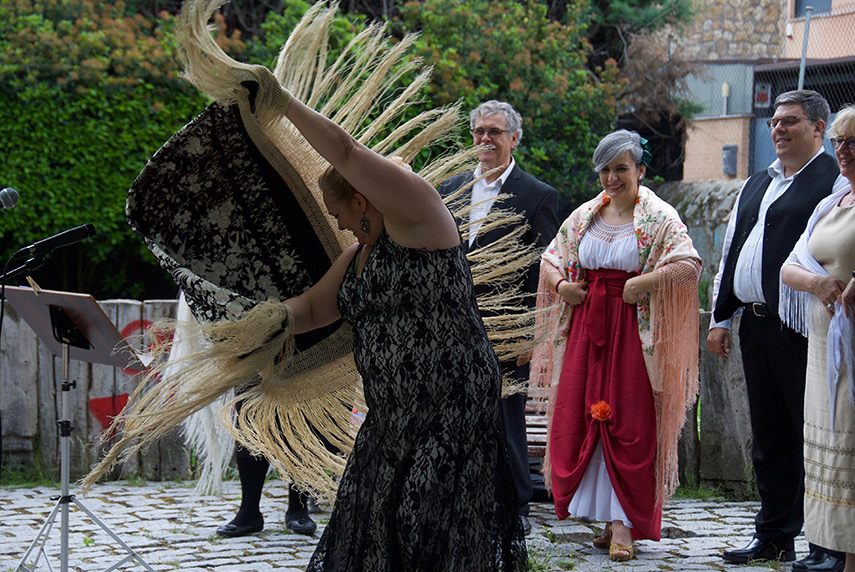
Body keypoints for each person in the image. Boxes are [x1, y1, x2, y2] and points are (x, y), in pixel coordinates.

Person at [531, 129, 701, 562]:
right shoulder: (587, 214)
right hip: (589, 326)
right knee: (584, 414)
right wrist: (562, 285)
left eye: (620, 168)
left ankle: (625, 524)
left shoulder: (659, 217)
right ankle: (608, 522)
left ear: (640, 170)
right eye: (605, 169)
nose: (611, 177)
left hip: (632, 331)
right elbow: (551, 257)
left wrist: (642, 283)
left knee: (629, 419)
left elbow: (688, 265)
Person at [707, 89, 846, 570]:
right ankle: (773, 537)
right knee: (769, 437)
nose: (778, 129)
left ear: (818, 128)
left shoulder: (834, 183)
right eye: (773, 122)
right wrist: (720, 317)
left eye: (790, 121)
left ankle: (826, 543)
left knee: (811, 435)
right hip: (756, 323)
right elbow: (732, 252)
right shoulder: (757, 182)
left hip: (805, 326)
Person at [438, 100, 560, 535]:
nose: (485, 139)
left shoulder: (538, 196)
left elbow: (541, 271)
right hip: (450, 327)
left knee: (506, 414)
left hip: (507, 328)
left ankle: (515, 507)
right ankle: (456, 502)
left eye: (495, 131)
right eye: (479, 131)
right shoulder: (447, 188)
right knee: (451, 414)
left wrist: (531, 331)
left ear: (514, 138)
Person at [780, 105, 855, 572]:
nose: (844, 152)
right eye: (840, 143)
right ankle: (842, 553)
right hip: (823, 344)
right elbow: (790, 266)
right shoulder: (832, 202)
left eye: (854, 144)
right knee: (832, 446)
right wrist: (818, 284)